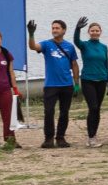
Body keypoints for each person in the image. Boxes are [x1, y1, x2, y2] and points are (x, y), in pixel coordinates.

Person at [27, 18, 79, 149]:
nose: (54, 30)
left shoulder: (69, 46)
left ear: (64, 30)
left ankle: (60, 138)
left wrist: (76, 83)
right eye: (53, 28)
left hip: (66, 84)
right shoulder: (46, 44)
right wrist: (31, 34)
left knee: (64, 112)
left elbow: (74, 64)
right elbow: (33, 47)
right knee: (49, 112)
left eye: (57, 28)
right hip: (51, 85)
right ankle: (48, 139)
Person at [72, 16, 108, 147]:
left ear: (100, 32)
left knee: (97, 109)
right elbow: (76, 41)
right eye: (92, 30)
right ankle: (91, 137)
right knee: (93, 107)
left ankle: (94, 135)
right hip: (88, 80)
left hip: (102, 80)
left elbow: (106, 64)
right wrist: (77, 29)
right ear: (89, 32)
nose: (95, 32)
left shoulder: (104, 47)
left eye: (97, 30)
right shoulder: (84, 45)